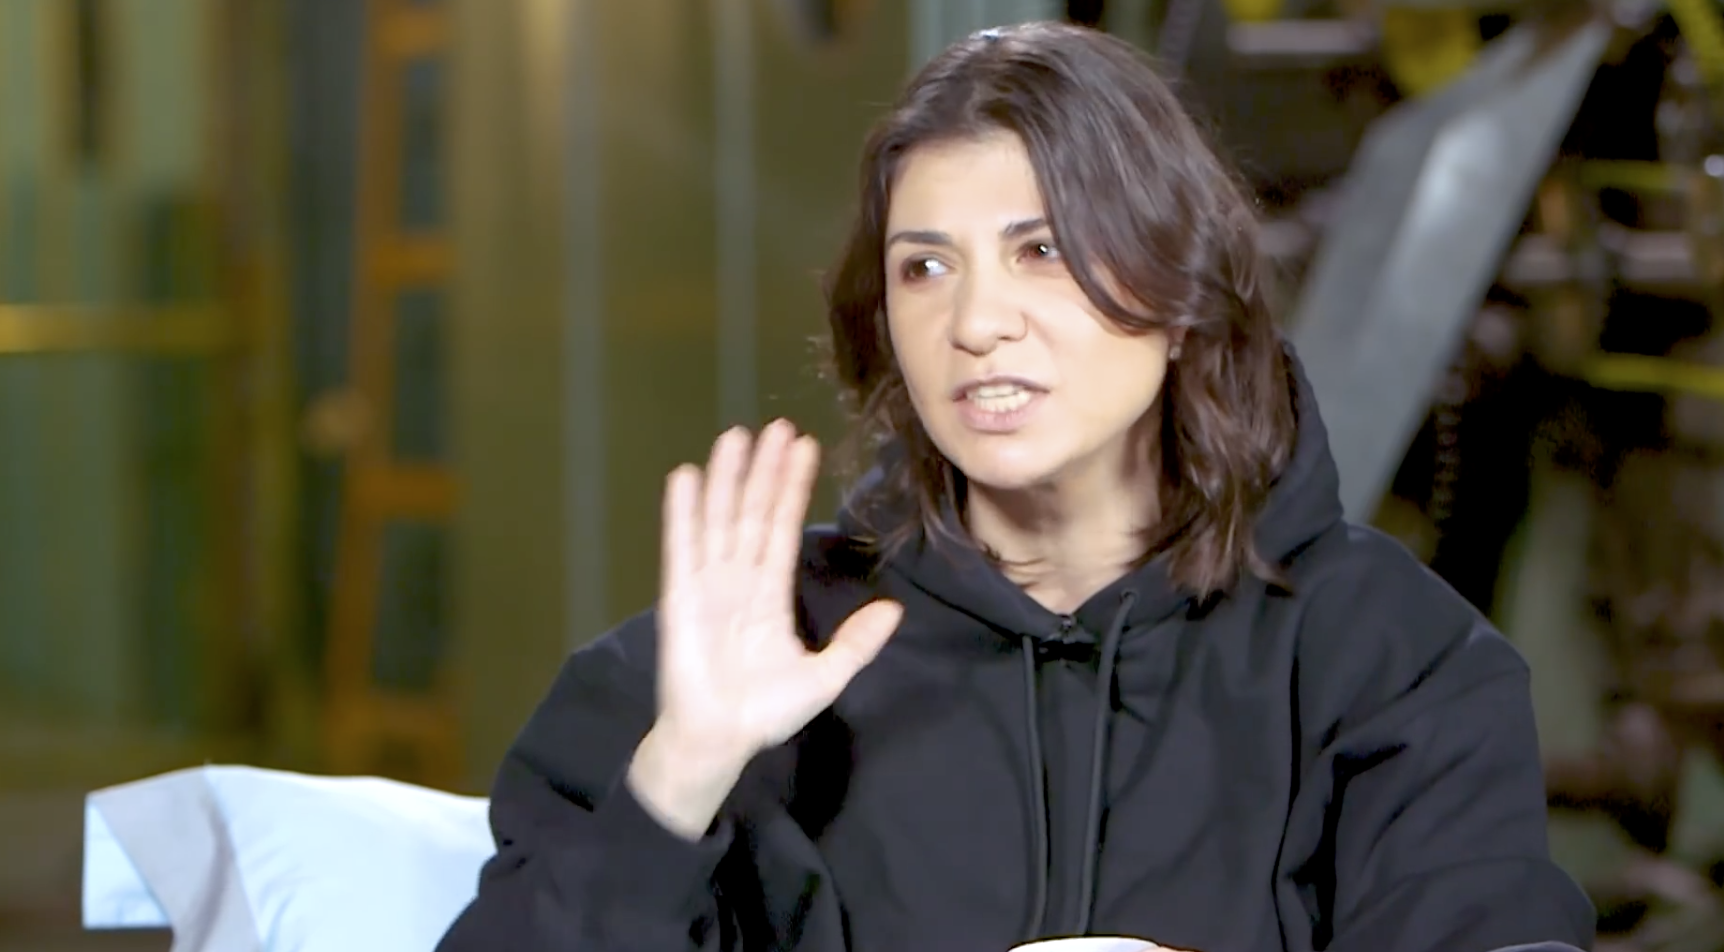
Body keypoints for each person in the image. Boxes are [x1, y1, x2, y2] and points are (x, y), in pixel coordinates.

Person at [436, 20, 1594, 952]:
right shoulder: (743, 660)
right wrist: (676, 779)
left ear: (1178, 290)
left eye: (1039, 250)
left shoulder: (1389, 661)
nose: (976, 321)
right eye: (923, 267)